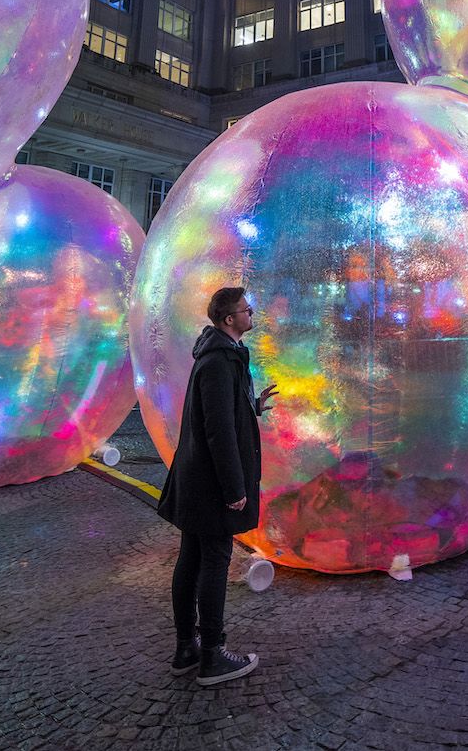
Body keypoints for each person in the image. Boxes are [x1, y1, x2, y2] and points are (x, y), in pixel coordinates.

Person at [157, 285, 278, 686]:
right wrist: (234, 488)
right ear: (229, 319)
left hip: (196, 479)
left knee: (191, 559)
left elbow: (223, 413)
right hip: (209, 484)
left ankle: (185, 648)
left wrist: (252, 405)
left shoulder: (221, 357)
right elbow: (218, 432)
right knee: (212, 561)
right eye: (246, 310)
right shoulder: (219, 362)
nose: (252, 314)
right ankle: (211, 654)